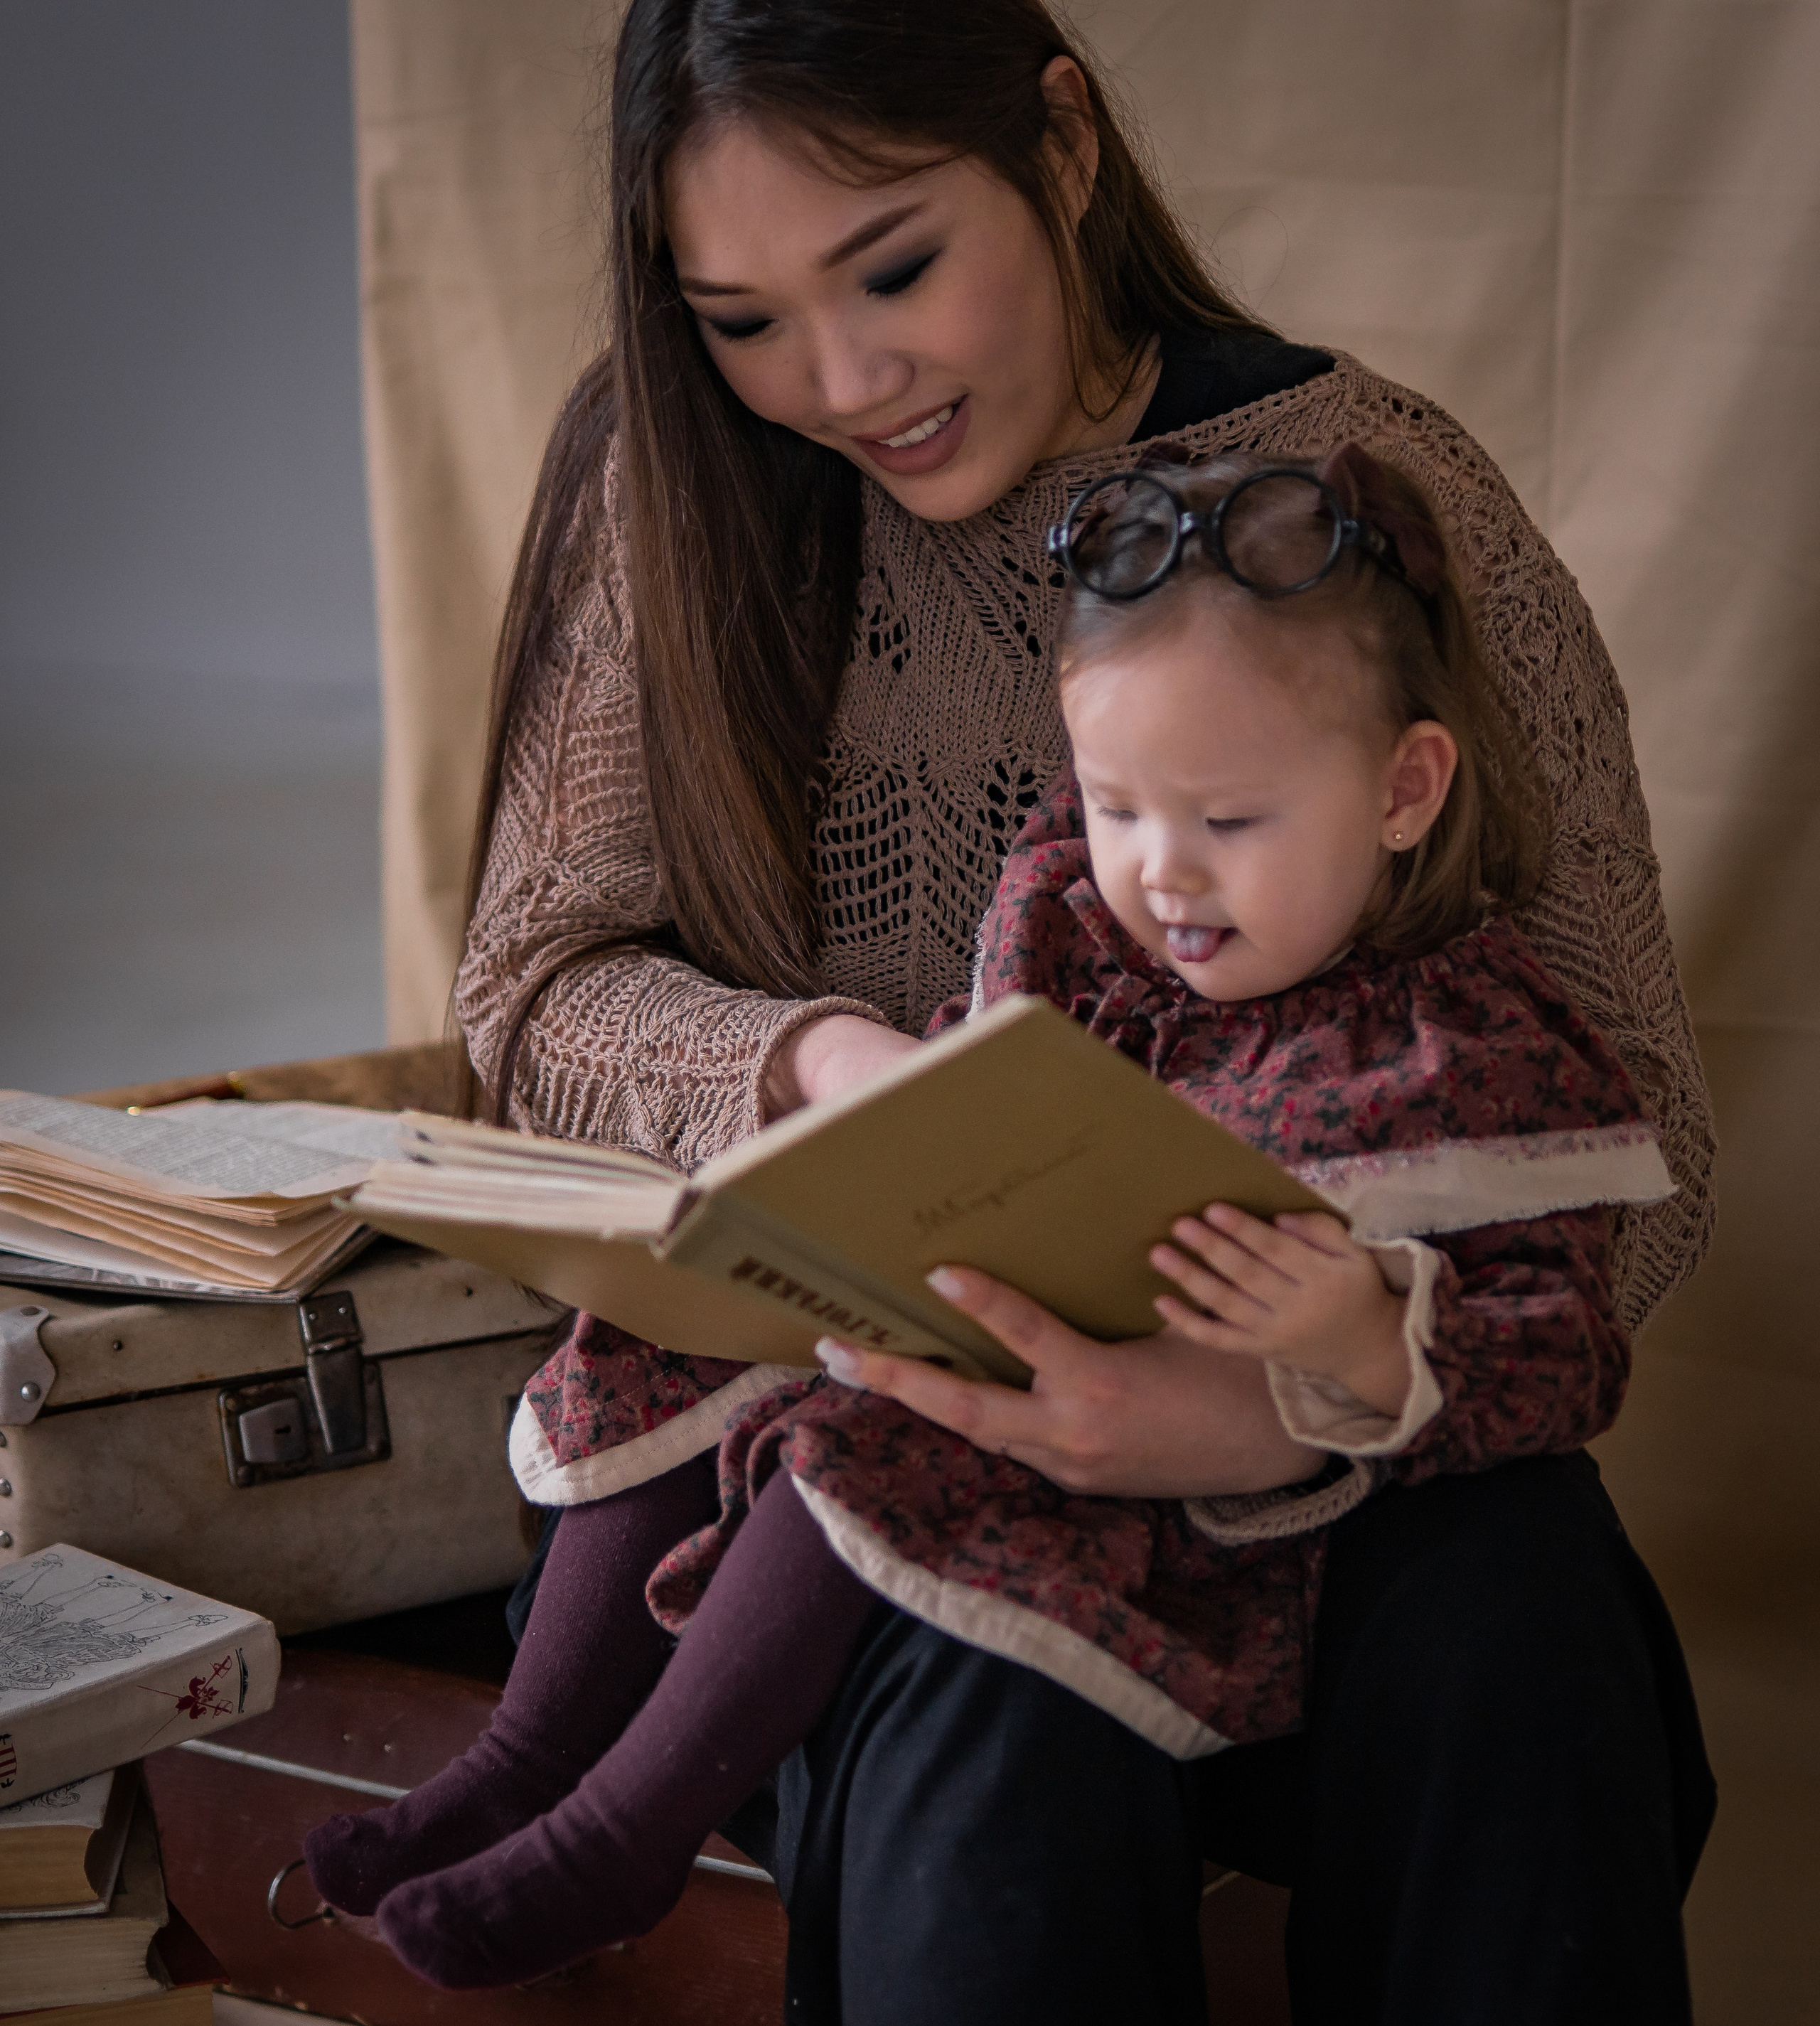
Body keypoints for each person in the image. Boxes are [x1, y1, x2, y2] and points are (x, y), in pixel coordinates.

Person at [310, 3, 1717, 2018]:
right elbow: (535, 993)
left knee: (1529, 1615)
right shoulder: (670, 479)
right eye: (743, 317)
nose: (842, 380)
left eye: (894, 270)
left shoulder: (1375, 501)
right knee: (998, 1703)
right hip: (841, 1457)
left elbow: (1634, 1125)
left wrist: (1261, 1407)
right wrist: (832, 1072)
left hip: (1328, 1441)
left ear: (1062, 146)